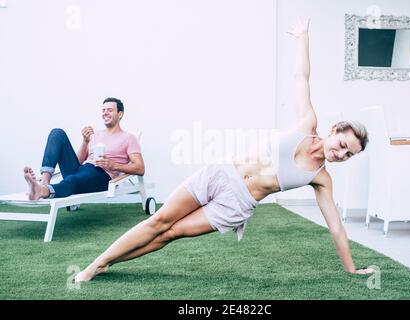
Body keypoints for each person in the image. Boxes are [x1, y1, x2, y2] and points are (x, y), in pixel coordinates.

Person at [75, 18, 373, 283]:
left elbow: (335, 225)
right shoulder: (307, 124)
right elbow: (301, 79)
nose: (341, 154)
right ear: (334, 131)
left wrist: (350, 268)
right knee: (158, 221)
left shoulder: (322, 178)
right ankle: (97, 263)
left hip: (237, 204)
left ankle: (107, 263)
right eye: (343, 145)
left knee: (170, 234)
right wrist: (302, 39)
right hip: (221, 175)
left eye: (348, 155)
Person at [23, 97, 145, 200]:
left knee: (72, 180)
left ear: (120, 114)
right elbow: (79, 162)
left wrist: (114, 166)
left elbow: (140, 168)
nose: (105, 112)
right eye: (103, 110)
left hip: (102, 176)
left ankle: (42, 191)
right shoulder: (95, 135)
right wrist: (85, 142)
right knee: (57, 133)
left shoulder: (129, 138)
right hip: (82, 170)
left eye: (110, 110)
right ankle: (44, 182)